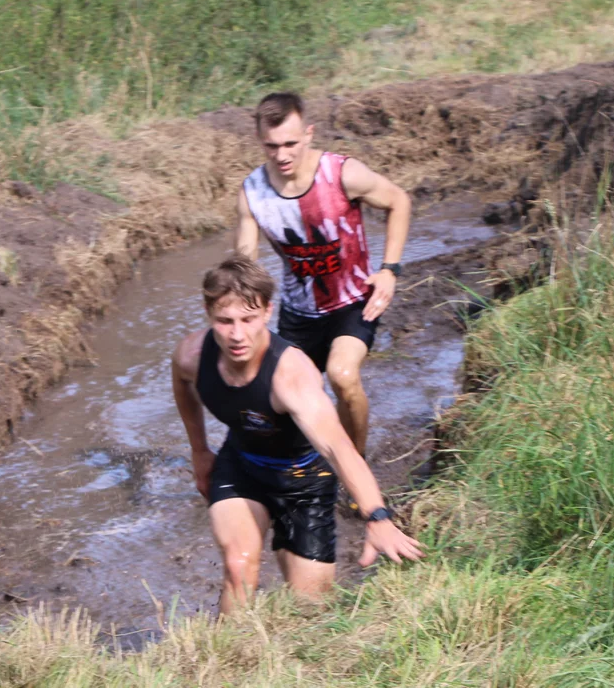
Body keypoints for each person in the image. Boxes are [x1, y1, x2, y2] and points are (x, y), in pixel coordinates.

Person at [171, 255, 424, 614]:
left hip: (305, 481)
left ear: (268, 312)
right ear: (208, 312)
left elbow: (339, 449)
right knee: (239, 566)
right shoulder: (191, 354)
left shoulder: (292, 376)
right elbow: (181, 384)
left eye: (248, 319)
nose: (237, 335)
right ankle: (225, 659)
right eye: (224, 321)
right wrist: (199, 449)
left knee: (310, 609)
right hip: (241, 466)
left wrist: (376, 516)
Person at [234, 92, 412, 465]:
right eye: (271, 146)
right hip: (298, 313)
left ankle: (355, 465)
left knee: (342, 375)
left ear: (309, 134)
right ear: (259, 140)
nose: (281, 155)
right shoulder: (252, 193)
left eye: (290, 144)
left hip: (352, 302)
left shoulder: (342, 173)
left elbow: (399, 200)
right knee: (279, 398)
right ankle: (287, 470)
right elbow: (245, 261)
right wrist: (240, 314)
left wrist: (390, 270)